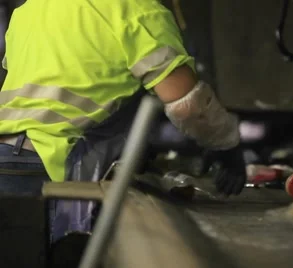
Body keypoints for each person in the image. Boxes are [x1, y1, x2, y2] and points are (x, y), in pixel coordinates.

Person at [0, 0, 246, 240]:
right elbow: (189, 107)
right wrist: (227, 144)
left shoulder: (30, 9)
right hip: (55, 165)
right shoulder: (136, 9)